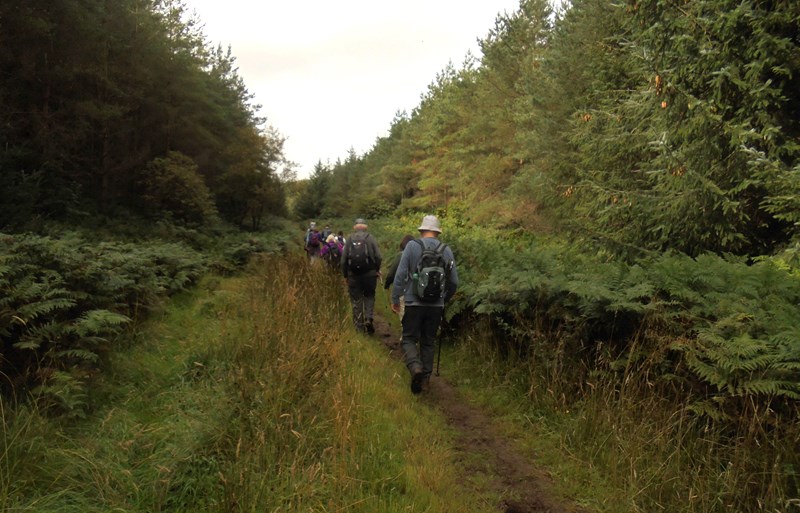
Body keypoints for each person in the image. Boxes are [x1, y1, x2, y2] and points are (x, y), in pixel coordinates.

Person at [391, 215, 458, 394]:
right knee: (428, 341)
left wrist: (395, 299)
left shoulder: (412, 246)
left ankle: (415, 367)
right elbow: (454, 282)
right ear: (437, 232)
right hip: (436, 306)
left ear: (421, 231)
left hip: (413, 302)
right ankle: (426, 381)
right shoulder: (446, 250)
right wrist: (444, 299)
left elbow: (400, 275)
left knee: (408, 338)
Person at [341, 218, 382, 334]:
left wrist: (345, 275)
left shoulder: (349, 239)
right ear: (366, 227)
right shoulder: (370, 238)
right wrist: (376, 270)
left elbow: (343, 260)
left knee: (356, 299)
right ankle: (368, 318)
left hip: (353, 275)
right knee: (369, 296)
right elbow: (378, 256)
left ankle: (359, 327)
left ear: (354, 227)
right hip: (370, 274)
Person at [384, 234, 415, 321]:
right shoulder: (419, 255)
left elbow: (392, 274)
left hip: (404, 293)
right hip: (418, 293)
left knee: (405, 320)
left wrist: (387, 284)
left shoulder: (401, 255)